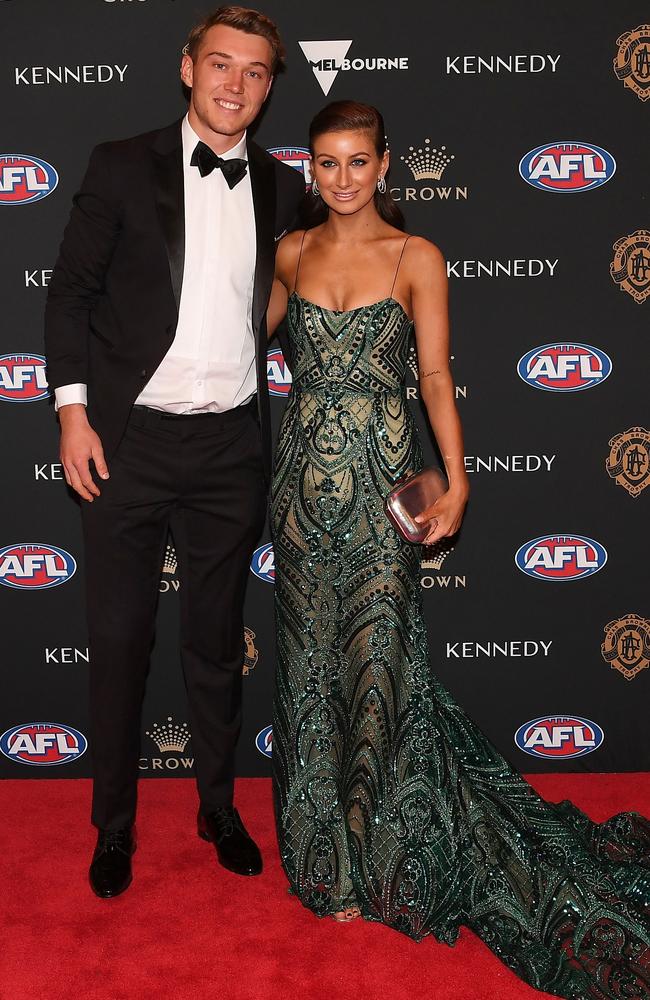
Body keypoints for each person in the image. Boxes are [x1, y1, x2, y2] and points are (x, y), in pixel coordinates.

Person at [267, 100, 650, 998]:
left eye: (359, 161)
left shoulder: (417, 258)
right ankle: (326, 858)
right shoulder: (287, 254)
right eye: (327, 163)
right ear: (310, 170)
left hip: (383, 487)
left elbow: (433, 375)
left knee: (378, 664)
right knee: (306, 667)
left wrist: (459, 475)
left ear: (386, 165)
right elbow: (237, 349)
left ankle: (390, 853)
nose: (344, 178)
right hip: (297, 494)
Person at [44, 6, 304, 898]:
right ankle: (113, 827)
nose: (236, 84)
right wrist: (73, 415)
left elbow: (312, 299)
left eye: (256, 71)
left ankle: (218, 806)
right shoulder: (122, 164)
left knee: (214, 646)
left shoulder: (280, 185)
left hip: (231, 446)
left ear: (272, 87)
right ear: (187, 68)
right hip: (129, 441)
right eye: (221, 64)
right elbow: (69, 296)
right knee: (119, 640)